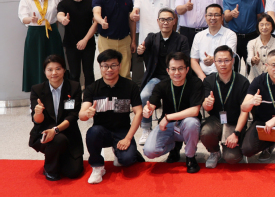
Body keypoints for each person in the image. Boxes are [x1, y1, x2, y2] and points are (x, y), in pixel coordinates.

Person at [79, 50, 144, 184]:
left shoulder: (130, 86)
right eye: (105, 66)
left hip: (122, 131)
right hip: (101, 132)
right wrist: (87, 113)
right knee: (92, 132)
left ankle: (120, 152)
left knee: (127, 160)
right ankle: (97, 167)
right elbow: (82, 115)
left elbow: (139, 112)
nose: (109, 69)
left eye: (113, 65)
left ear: (119, 66)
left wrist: (128, 138)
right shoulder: (92, 88)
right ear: (100, 67)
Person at [142, 52, 204, 173]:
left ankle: (190, 157)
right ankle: (174, 146)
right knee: (149, 151)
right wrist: (147, 110)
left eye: (180, 68)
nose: (177, 73)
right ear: (168, 70)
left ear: (187, 69)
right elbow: (152, 104)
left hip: (186, 125)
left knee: (191, 123)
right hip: (168, 126)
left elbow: (195, 110)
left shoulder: (195, 83)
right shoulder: (161, 85)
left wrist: (167, 117)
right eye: (173, 69)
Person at [136, 8, 190, 145]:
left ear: (174, 21)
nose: (165, 22)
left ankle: (181, 128)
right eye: (162, 19)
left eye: (169, 19)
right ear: (158, 21)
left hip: (176, 78)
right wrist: (140, 51)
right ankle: (146, 129)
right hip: (156, 78)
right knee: (144, 95)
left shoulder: (182, 39)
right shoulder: (151, 38)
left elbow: (185, 60)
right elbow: (141, 53)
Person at [29, 55, 84, 181]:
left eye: (58, 69)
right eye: (50, 69)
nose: (54, 73)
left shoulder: (74, 87)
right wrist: (38, 113)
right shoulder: (37, 89)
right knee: (58, 139)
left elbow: (73, 116)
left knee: (74, 172)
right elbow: (37, 121)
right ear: (45, 72)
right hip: (45, 133)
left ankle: (58, 156)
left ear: (64, 70)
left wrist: (56, 129)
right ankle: (50, 170)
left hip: (68, 132)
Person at [200, 45, 250, 168]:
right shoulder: (208, 81)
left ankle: (234, 145)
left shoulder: (243, 82)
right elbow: (206, 107)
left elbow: (245, 112)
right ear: (214, 62)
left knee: (232, 158)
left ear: (232, 61)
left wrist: (236, 133)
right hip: (216, 119)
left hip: (235, 122)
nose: (223, 64)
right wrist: (207, 104)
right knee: (206, 132)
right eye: (219, 61)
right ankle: (215, 152)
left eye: (227, 60)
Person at [19, 0, 64, 92]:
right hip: (35, 34)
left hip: (52, 33)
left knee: (55, 61)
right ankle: (38, 94)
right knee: (36, 64)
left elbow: (59, 15)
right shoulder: (26, 0)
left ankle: (58, 90)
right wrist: (31, 19)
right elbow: (23, 18)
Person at [131, 0, 176, 85]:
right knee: (150, 70)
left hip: (166, 39)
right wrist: (133, 15)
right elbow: (135, 11)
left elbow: (173, 17)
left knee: (169, 68)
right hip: (147, 40)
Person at [93, 0, 136, 79]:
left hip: (125, 40)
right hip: (106, 40)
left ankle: (124, 90)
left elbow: (131, 20)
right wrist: (101, 21)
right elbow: (96, 13)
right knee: (108, 71)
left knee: (125, 72)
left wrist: (133, 40)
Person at [57, 0, 98, 86]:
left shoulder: (91, 2)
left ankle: (90, 95)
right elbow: (60, 15)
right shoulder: (64, 4)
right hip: (71, 44)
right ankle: (75, 95)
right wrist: (63, 19)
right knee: (74, 74)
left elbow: (95, 22)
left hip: (88, 43)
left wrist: (85, 40)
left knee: (89, 73)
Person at [223, 0, 265, 70]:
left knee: (253, 67)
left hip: (252, 36)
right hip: (234, 37)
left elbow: (260, 17)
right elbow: (226, 18)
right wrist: (232, 14)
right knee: (233, 67)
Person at [190, 4, 238, 80]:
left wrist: (213, 59)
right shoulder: (199, 36)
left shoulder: (230, 34)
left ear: (222, 17)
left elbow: (229, 54)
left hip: (225, 76)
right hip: (204, 76)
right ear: (205, 17)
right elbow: (194, 60)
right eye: (210, 15)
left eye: (216, 15)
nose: (213, 18)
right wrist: (202, 77)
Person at [247, 14, 275, 79]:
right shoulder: (252, 43)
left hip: (273, 79)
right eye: (261, 25)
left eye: (267, 24)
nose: (264, 27)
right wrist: (253, 60)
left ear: (272, 26)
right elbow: (249, 58)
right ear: (258, 26)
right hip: (255, 79)